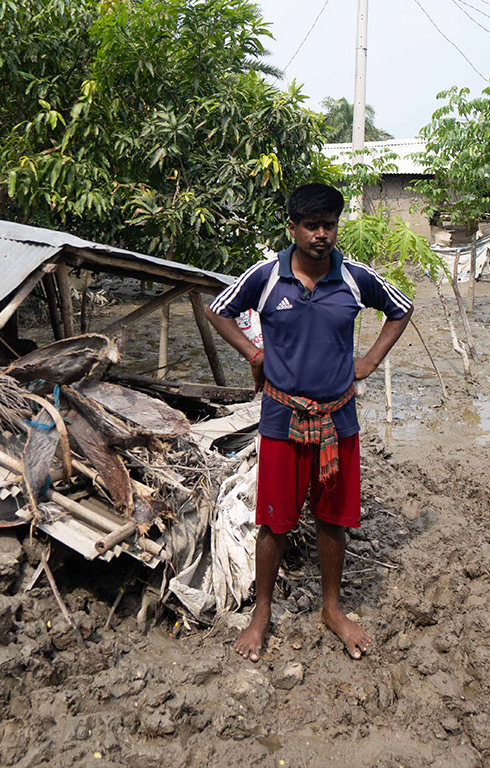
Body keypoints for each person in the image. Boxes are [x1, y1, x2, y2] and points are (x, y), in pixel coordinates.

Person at [205, 182, 413, 660]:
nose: (322, 234)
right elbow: (219, 309)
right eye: (312, 225)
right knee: (274, 522)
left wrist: (369, 362)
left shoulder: (356, 277)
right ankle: (262, 614)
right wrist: (253, 352)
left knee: (332, 519)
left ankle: (332, 609)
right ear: (293, 227)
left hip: (338, 419)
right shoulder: (267, 276)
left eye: (329, 225)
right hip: (282, 416)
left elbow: (400, 310)